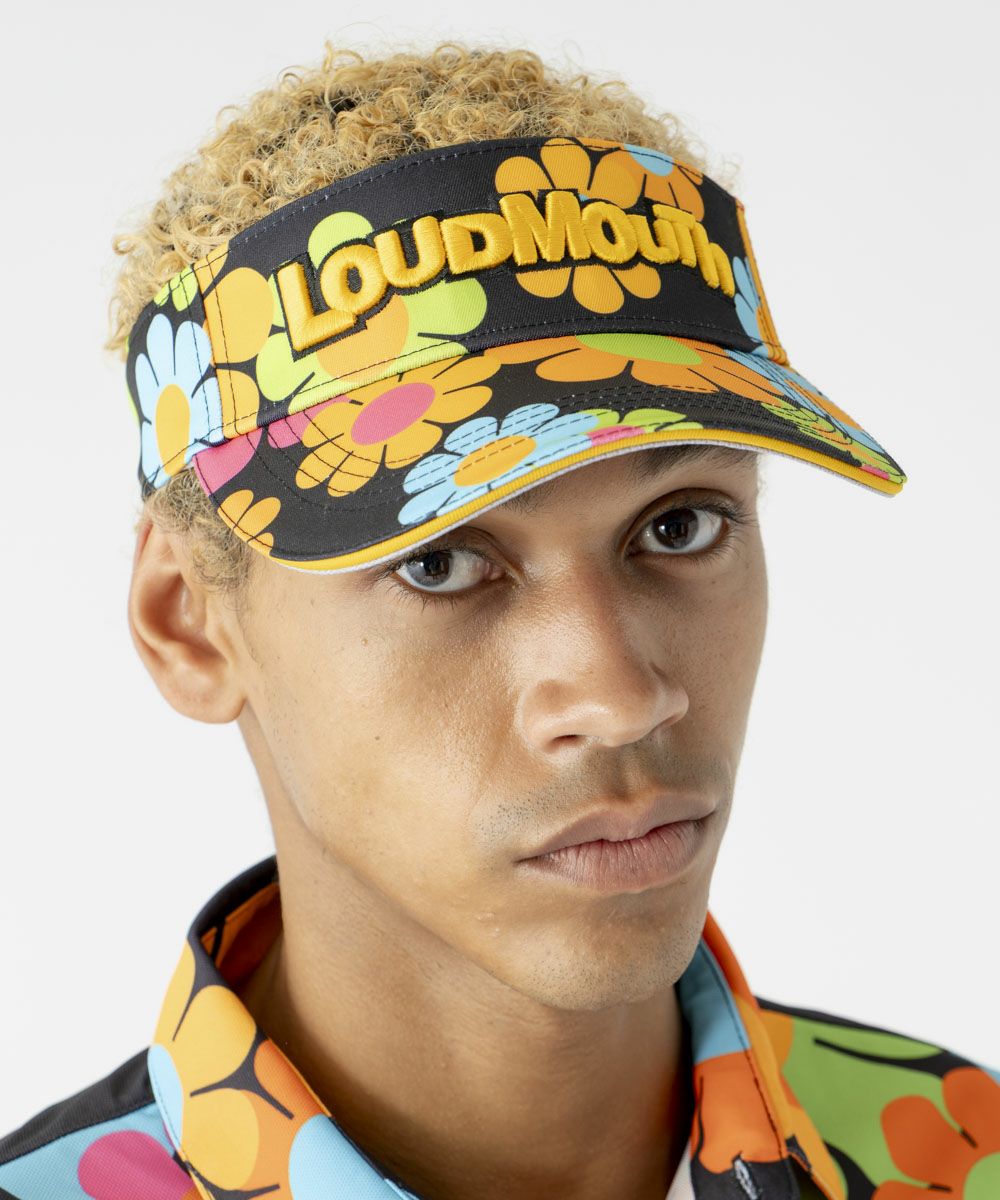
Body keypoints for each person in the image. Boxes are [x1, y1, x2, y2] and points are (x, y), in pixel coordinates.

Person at [2, 39, 996, 1200]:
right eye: (438, 561)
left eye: (679, 525)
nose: (620, 696)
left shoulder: (962, 1158)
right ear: (189, 622)